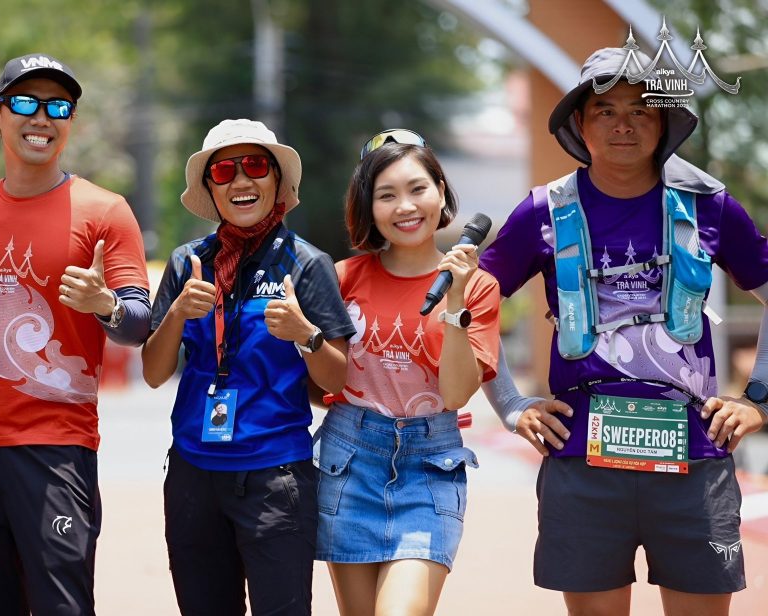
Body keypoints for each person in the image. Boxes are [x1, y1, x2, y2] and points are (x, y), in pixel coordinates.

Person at [480, 47, 768, 616]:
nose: (624, 124)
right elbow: (474, 308)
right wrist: (511, 404)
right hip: (581, 461)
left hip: (695, 458)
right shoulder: (541, 211)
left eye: (640, 110)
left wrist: (758, 399)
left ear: (663, 123)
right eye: (605, 110)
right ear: (580, 124)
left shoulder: (709, 206)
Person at [0, 53, 151, 616]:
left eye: (58, 107)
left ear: (70, 121)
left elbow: (138, 323)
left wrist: (105, 304)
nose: (42, 118)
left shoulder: (105, 212)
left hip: (55, 449)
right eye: (25, 103)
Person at [141, 119, 354, 616]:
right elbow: (153, 373)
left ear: (277, 180)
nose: (241, 180)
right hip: (193, 475)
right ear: (210, 188)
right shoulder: (188, 262)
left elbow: (337, 380)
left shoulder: (306, 264)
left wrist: (304, 334)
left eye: (256, 166)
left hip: (275, 478)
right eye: (224, 171)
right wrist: (177, 314)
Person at [315, 129, 500, 616]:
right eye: (386, 195)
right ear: (369, 207)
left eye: (418, 188)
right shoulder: (342, 278)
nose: (405, 206)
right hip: (349, 459)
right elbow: (322, 386)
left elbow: (456, 394)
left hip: (430, 465)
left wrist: (455, 300)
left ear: (441, 191)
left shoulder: (479, 287)